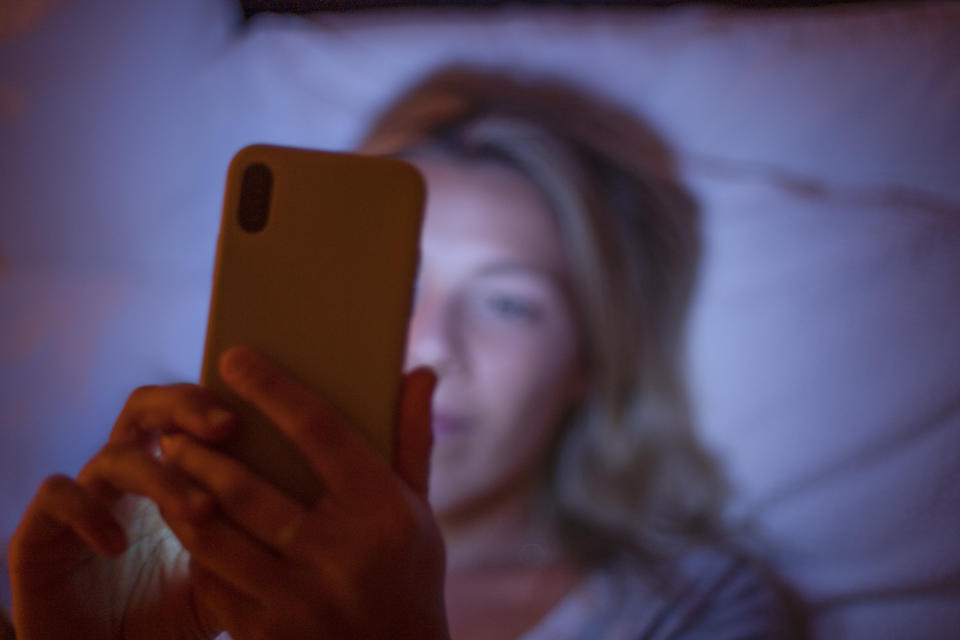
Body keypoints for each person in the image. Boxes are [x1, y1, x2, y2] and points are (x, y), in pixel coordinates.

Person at [6, 67, 799, 639]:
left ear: (590, 363)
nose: (431, 347)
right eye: (396, 287)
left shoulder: (693, 609)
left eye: (509, 303)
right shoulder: (163, 581)